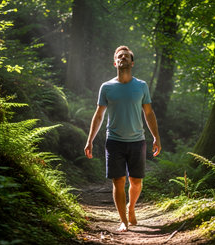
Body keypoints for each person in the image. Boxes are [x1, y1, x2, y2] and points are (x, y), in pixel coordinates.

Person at [84, 45, 162, 232]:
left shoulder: (141, 86)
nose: (123, 58)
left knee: (136, 182)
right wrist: (90, 140)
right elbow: (99, 115)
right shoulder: (107, 87)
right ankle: (123, 221)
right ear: (115, 62)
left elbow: (149, 113)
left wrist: (156, 137)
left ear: (132, 63)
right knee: (118, 181)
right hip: (114, 141)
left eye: (126, 56)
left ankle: (131, 207)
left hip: (137, 141)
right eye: (120, 56)